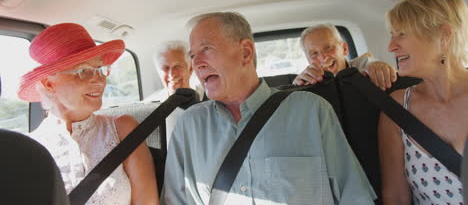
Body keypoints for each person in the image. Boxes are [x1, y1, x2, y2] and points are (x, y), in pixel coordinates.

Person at [163, 12, 376, 204]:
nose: (196, 63)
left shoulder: (312, 111)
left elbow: (355, 197)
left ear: (246, 52)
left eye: (206, 49)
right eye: (192, 56)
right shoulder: (188, 126)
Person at [18, 23, 159, 205]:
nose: (99, 80)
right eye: (83, 71)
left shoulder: (122, 129)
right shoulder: (30, 148)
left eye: (100, 69)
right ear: (49, 84)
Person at [379, 0, 468, 204]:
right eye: (392, 35)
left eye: (402, 34)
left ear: (443, 35)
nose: (391, 47)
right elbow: (396, 197)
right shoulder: (397, 109)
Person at [293, 24, 397, 90]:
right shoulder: (308, 81)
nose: (323, 57)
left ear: (344, 48)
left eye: (328, 47)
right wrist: (299, 88)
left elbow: (372, 65)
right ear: (308, 60)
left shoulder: (363, 65)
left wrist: (380, 68)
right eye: (314, 53)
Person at [144, 40, 204, 143]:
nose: (172, 74)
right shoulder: (149, 107)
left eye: (177, 66)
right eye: (165, 68)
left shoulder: (210, 98)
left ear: (190, 69)